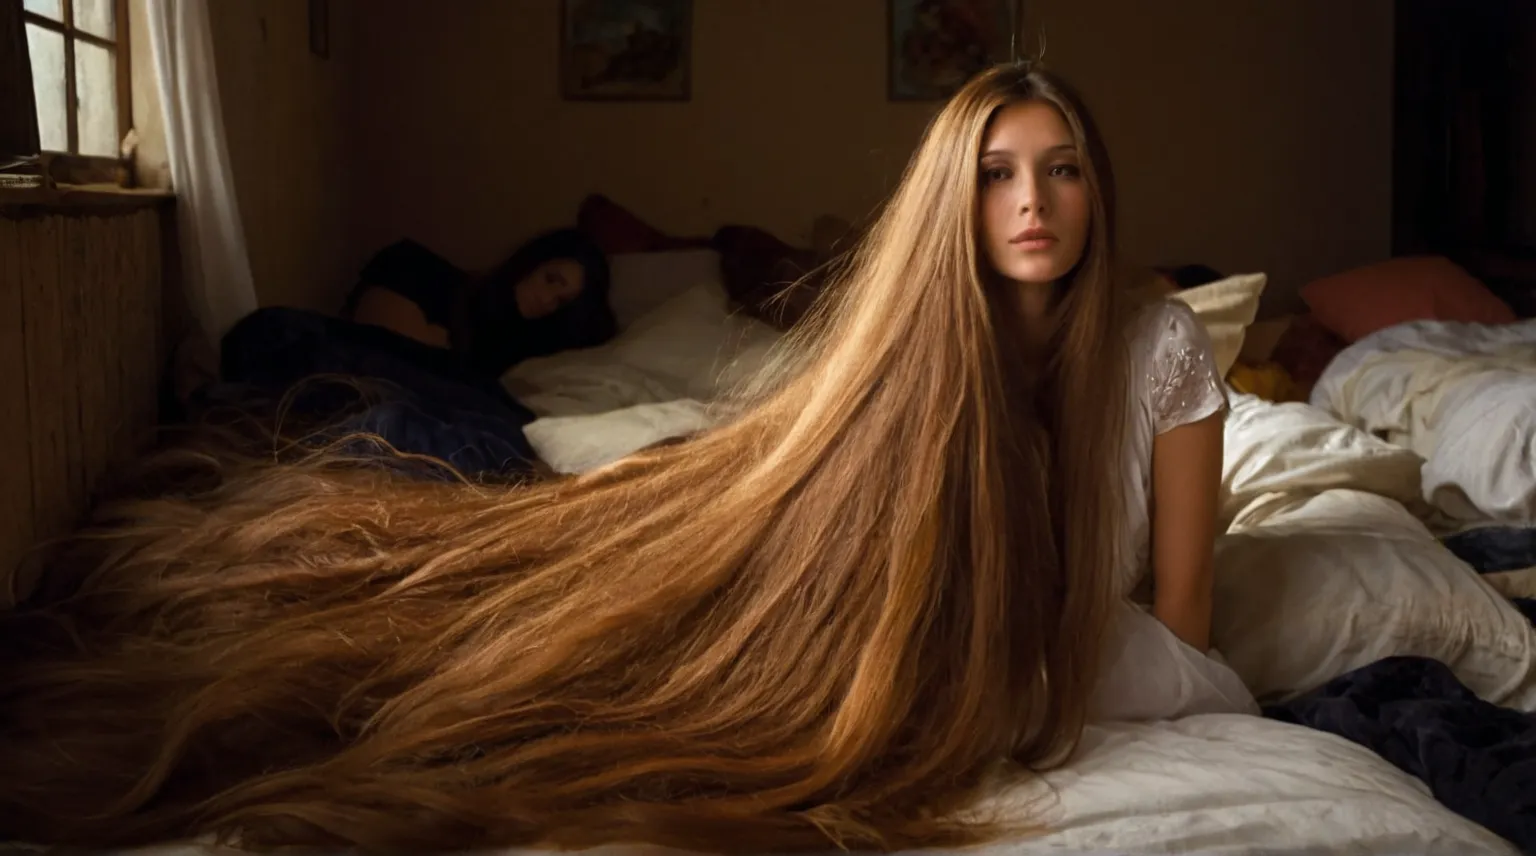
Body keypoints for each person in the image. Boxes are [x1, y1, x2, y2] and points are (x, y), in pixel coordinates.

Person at [0, 63, 1252, 853]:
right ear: (955, 204)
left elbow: (1185, 626)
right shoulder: (918, 344)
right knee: (521, 643)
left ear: (1098, 191)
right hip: (833, 573)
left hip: (987, 631)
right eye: (996, 176)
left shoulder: (1159, 349)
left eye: (1063, 169)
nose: (1033, 201)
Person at [345, 227, 617, 378]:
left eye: (561, 302)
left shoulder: (519, 353)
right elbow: (377, 357)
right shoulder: (417, 269)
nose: (547, 301)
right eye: (550, 279)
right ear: (532, 262)